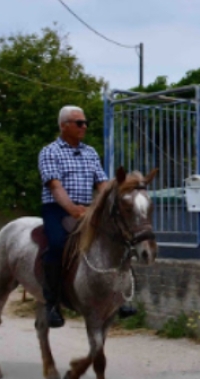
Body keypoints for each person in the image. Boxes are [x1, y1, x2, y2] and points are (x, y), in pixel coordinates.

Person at [38, 106, 135, 327]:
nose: (85, 126)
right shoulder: (49, 152)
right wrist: (73, 209)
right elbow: (55, 186)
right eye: (79, 123)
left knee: (121, 239)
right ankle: (52, 303)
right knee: (56, 245)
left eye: (85, 122)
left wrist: (111, 202)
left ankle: (124, 297)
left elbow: (101, 184)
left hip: (87, 209)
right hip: (58, 209)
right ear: (64, 126)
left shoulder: (90, 152)